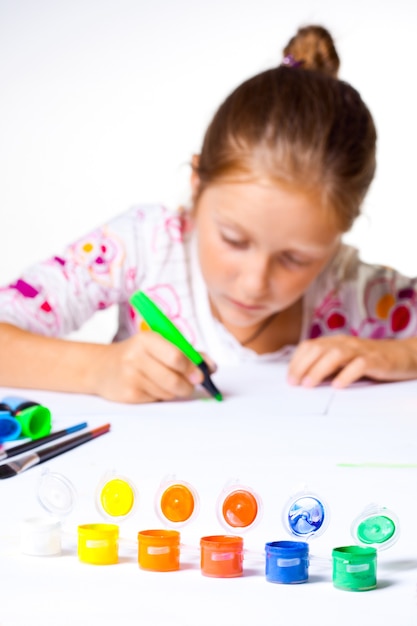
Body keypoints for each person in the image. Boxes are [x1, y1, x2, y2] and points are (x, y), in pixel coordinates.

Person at [1, 26, 417, 404]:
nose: (254, 283)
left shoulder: (352, 290)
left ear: (338, 235)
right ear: (198, 184)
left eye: (297, 258)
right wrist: (97, 369)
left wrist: (403, 355)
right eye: (234, 240)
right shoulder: (144, 246)